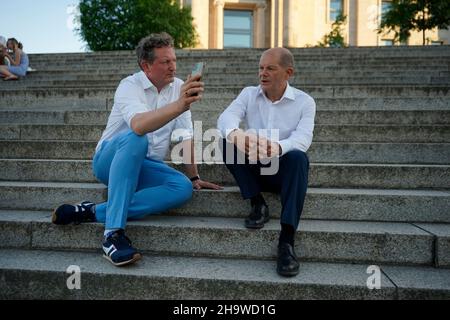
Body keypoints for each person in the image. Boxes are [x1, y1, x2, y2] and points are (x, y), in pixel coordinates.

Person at [52, 32, 221, 267]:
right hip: (109, 161)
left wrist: (194, 176)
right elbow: (139, 125)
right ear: (146, 65)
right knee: (137, 138)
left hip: (145, 166)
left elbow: (185, 136)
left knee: (181, 188)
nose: (173, 67)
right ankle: (112, 235)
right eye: (165, 62)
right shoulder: (130, 85)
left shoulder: (178, 87)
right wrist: (179, 105)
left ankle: (91, 212)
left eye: (174, 60)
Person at [217, 47, 316, 277]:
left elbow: (303, 138)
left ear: (288, 72)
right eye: (261, 68)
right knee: (225, 141)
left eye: (270, 68)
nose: (263, 73)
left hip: (282, 171)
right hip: (253, 166)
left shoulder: (305, 102)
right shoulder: (249, 94)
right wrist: (236, 135)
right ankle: (257, 203)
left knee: (298, 158)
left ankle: (287, 242)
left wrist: (279, 147)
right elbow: (226, 117)